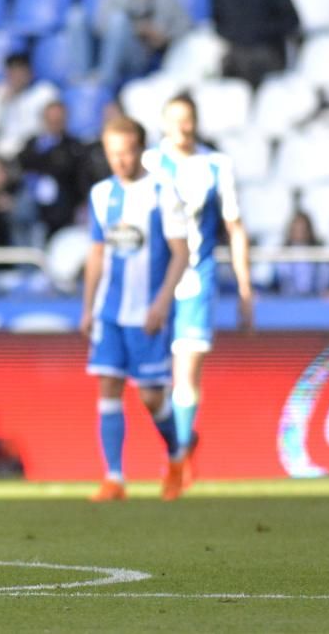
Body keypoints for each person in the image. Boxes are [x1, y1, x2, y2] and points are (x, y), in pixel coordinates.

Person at [80, 115, 189, 502]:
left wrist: (162, 302)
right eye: (113, 154)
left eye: (126, 153)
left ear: (140, 150)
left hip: (148, 311)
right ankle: (114, 478)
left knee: (151, 397)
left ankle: (176, 456)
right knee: (108, 386)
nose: (120, 161)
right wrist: (88, 307)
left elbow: (181, 253)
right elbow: (96, 253)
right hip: (110, 311)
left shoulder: (163, 192)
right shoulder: (100, 194)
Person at [142, 94, 252, 475]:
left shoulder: (216, 165)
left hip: (197, 279)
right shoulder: (150, 163)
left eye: (188, 119)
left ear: (196, 121)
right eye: (175, 120)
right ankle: (179, 443)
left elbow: (235, 228)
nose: (182, 127)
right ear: (164, 124)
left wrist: (245, 288)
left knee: (186, 373)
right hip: (156, 283)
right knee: (151, 384)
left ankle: (180, 458)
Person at [85, 0, 191, 87]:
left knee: (119, 22)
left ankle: (104, 81)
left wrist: (164, 38)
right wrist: (138, 29)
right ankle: (102, 80)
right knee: (116, 21)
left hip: (143, 56)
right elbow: (100, 25)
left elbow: (185, 28)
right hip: (113, 49)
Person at [214, 0, 299, 88]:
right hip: (236, 52)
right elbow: (220, 26)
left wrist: (257, 31)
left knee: (248, 61)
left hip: (269, 52)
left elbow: (291, 23)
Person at [18, 100, 89, 238]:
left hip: (62, 205)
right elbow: (23, 164)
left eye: (58, 119)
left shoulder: (74, 147)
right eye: (51, 119)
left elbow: (71, 172)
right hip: (32, 203)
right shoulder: (32, 143)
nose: (54, 123)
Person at [0, 53, 60, 162]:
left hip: (31, 153)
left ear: (30, 72)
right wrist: (0, 104)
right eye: (12, 71)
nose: (16, 76)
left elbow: (50, 128)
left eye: (20, 71)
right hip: (0, 155)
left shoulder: (45, 92)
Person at [274, 208, 329, 297]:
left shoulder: (318, 253)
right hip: (288, 301)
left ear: (309, 230)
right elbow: (275, 283)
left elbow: (325, 281)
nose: (299, 232)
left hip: (315, 301)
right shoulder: (282, 253)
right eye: (296, 228)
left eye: (303, 228)